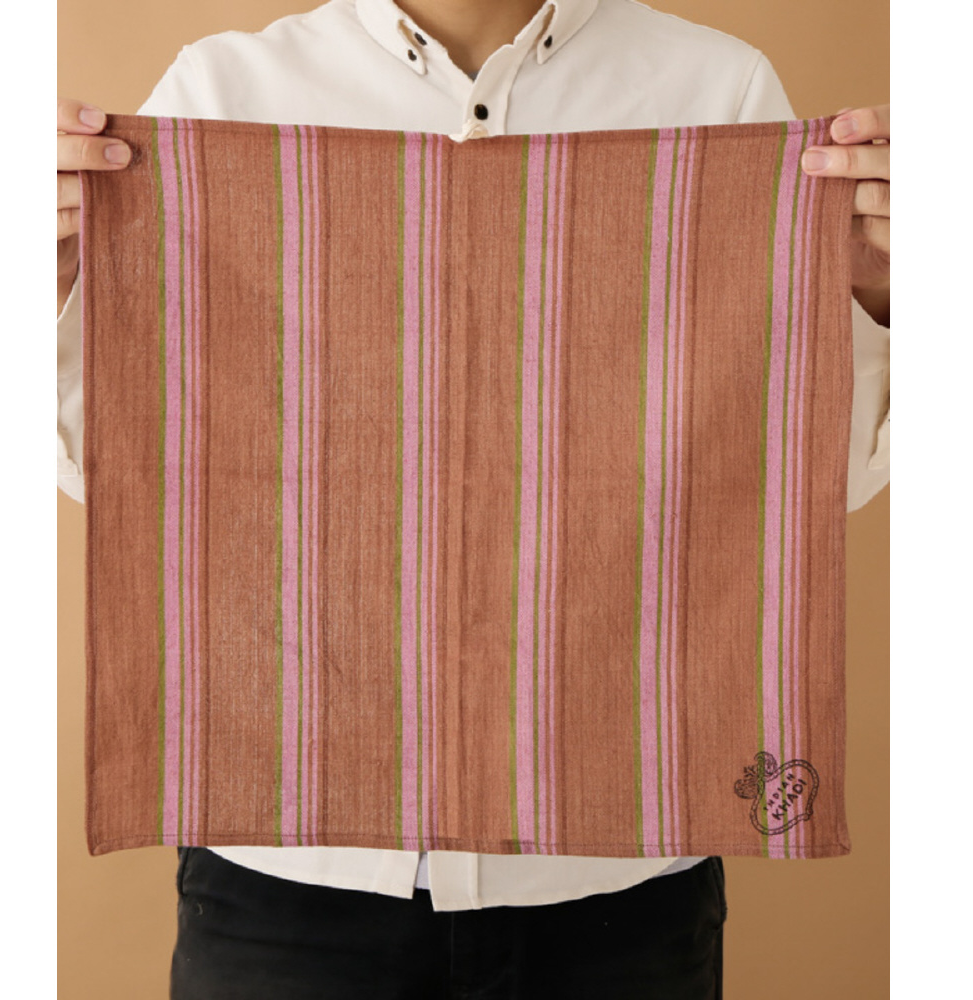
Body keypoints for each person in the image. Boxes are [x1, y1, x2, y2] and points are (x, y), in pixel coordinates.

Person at [56, 2, 890, 996]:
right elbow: (128, 473)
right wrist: (46, 290)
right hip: (284, 892)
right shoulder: (222, 94)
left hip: (619, 897)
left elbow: (792, 486)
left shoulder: (719, 92)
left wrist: (885, 297)